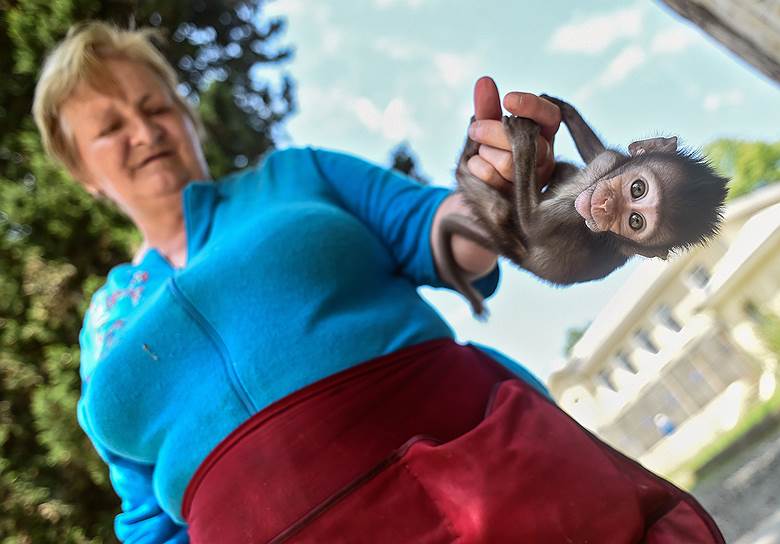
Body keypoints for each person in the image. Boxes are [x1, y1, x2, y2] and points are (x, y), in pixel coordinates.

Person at [34, 21, 724, 544]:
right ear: (83, 175)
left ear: (187, 116)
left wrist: (498, 194)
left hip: (479, 492)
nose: (144, 131)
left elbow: (445, 233)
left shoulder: (297, 176)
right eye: (110, 126)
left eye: (156, 106)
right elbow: (150, 519)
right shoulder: (101, 331)